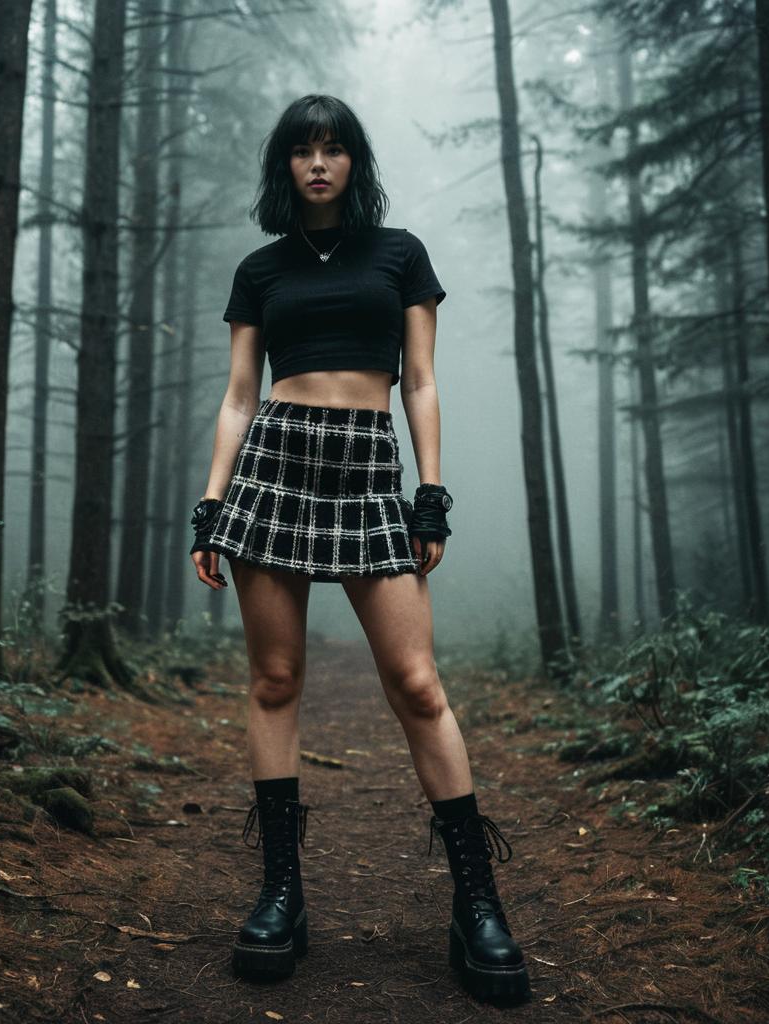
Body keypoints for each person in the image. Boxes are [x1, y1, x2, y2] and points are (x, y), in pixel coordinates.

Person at [189, 94, 530, 1004]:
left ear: (354, 163)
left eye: (334, 148)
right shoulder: (260, 270)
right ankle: (280, 896)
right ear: (285, 167)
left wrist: (430, 492)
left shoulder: (400, 254)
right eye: (302, 149)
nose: (318, 163)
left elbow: (420, 379)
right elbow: (236, 397)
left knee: (417, 684)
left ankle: (477, 904)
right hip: (275, 464)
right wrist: (211, 504)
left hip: (369, 469)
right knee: (274, 681)